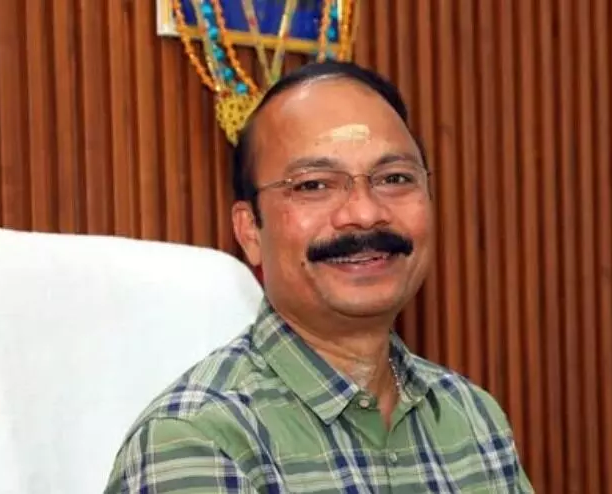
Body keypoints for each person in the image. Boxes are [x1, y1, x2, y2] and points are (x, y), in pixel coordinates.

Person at [105, 61, 534, 493]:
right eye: (313, 185)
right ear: (250, 231)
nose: (364, 213)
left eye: (395, 178)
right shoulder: (197, 442)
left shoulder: (472, 419)